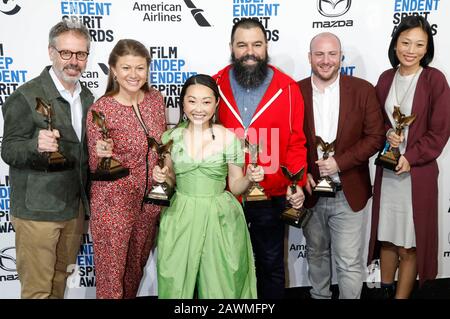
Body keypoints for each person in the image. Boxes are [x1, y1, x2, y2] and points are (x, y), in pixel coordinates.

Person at [213, 18, 308, 299]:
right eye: (242, 45)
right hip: (228, 194)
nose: (249, 51)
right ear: (231, 47)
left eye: (257, 44)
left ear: (266, 46)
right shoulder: (215, 85)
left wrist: (296, 181)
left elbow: (296, 142)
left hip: (271, 193)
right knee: (228, 265)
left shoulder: (288, 88)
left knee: (270, 266)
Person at [1, 20, 94, 299]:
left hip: (72, 211)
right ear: (51, 52)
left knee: (59, 284)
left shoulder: (87, 96)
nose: (73, 61)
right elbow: (9, 150)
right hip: (37, 214)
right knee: (38, 291)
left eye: (81, 54)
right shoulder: (26, 96)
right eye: (66, 53)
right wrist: (34, 145)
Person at [153, 74, 262, 298]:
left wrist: (250, 177)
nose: (199, 108)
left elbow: (235, 184)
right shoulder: (170, 137)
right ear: (182, 102)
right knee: (175, 285)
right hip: (180, 216)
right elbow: (171, 180)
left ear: (216, 104)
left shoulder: (229, 138)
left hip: (220, 218)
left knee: (221, 287)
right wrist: (163, 177)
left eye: (206, 101)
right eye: (192, 101)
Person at [297, 32, 385, 299]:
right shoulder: (295, 91)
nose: (326, 60)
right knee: (317, 255)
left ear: (341, 57)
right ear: (309, 57)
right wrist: (301, 175)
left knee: (348, 262)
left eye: (332, 54)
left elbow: (376, 137)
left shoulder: (362, 90)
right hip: (310, 193)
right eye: (319, 54)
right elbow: (288, 139)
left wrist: (338, 162)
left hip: (349, 193)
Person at [368, 16, 450, 299]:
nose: (410, 50)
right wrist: (387, 137)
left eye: (419, 44)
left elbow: (439, 132)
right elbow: (376, 123)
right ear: (395, 44)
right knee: (387, 238)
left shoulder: (434, 80)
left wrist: (411, 156)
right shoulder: (385, 78)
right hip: (388, 173)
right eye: (405, 42)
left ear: (427, 49)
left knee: (410, 244)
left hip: (417, 175)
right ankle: (385, 291)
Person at [86, 39, 166, 299]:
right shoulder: (102, 108)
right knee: (112, 281)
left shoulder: (155, 100)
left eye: (140, 68)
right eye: (126, 68)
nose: (134, 75)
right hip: (113, 205)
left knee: (134, 273)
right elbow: (96, 165)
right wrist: (101, 153)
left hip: (150, 202)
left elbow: (162, 146)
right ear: (113, 70)